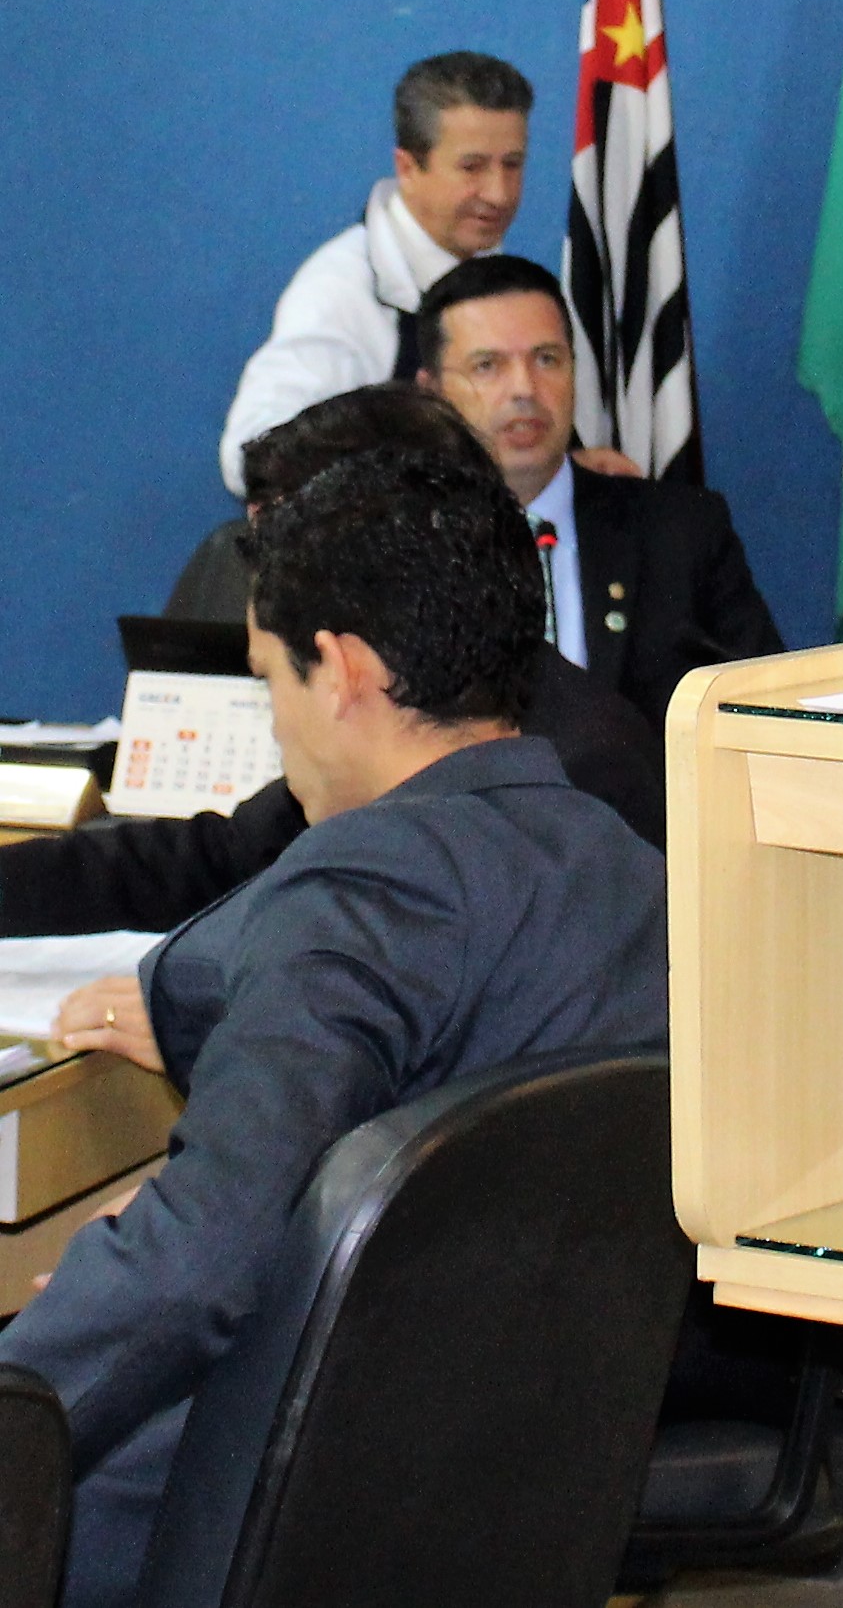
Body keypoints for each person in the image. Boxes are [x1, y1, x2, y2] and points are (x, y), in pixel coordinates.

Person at [2, 446, 668, 1608]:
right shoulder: (619, 865)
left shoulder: (362, 890)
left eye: (269, 680)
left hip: (232, 1512)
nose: (276, 724)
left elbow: (197, 1270)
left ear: (344, 670)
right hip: (497, 1485)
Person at [1, 389, 665, 944]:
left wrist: (191, 1008)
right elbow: (218, 858)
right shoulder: (386, 724)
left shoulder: (580, 772)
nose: (267, 581)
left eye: (291, 542)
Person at [413, 254, 782, 728]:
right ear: (433, 393)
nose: (524, 388)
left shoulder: (681, 532)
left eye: (547, 359)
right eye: (488, 366)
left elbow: (765, 716)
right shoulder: (407, 547)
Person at [216, 51, 533, 495]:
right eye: (472, 167)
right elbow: (251, 456)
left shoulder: (505, 281)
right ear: (407, 168)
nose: (499, 194)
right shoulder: (341, 289)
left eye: (512, 165)